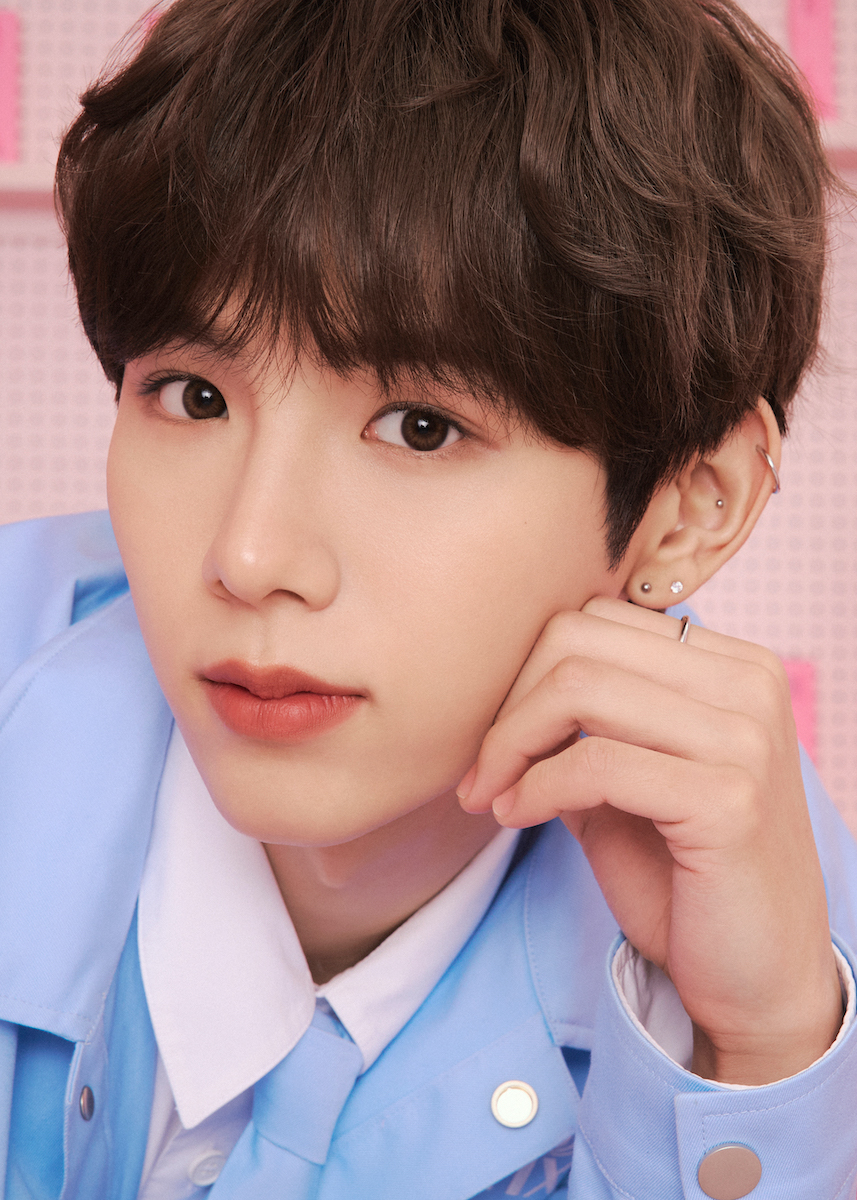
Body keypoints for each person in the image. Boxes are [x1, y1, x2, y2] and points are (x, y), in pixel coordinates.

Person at [1, 0, 856, 1195]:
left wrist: (754, 1060)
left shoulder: (785, 969)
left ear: (685, 507)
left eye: (418, 427)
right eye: (194, 396)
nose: (249, 556)